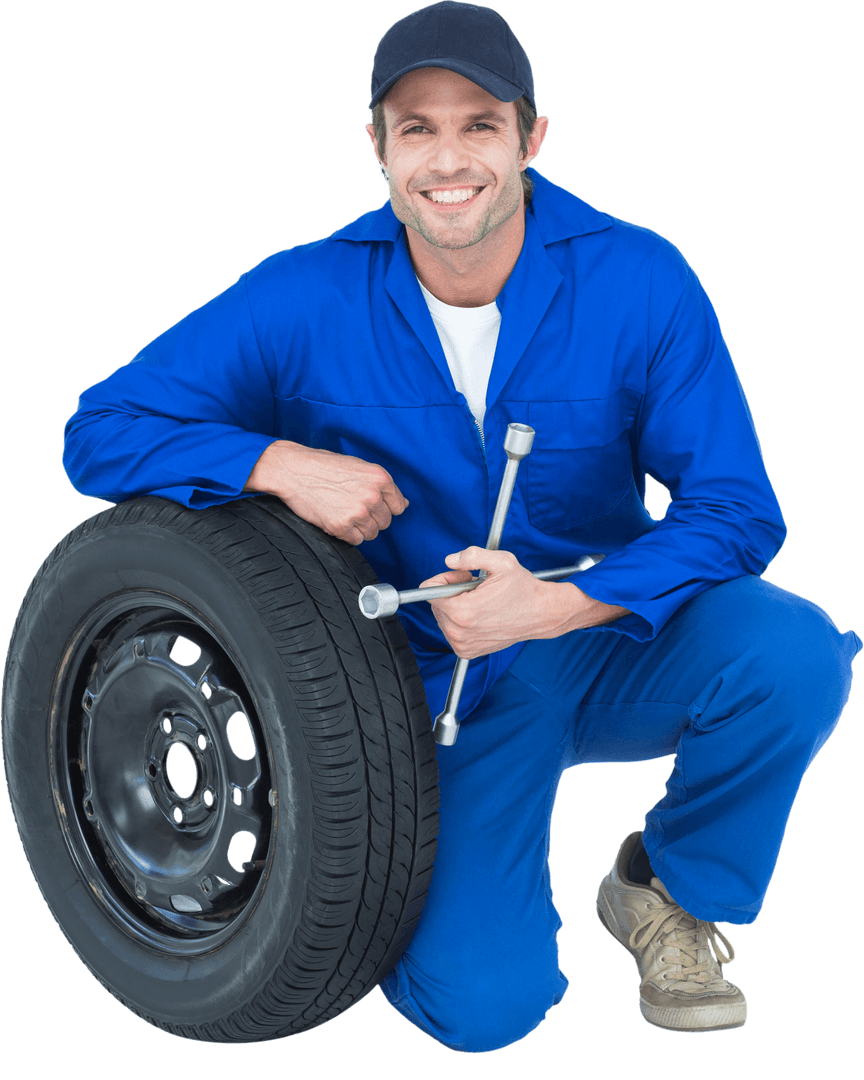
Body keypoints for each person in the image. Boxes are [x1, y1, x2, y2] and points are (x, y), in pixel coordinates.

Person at [63, 0, 860, 1052]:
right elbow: (100, 429)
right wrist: (276, 463)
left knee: (795, 656)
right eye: (417, 128)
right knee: (486, 1008)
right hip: (429, 683)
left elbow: (738, 511)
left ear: (530, 138)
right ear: (379, 151)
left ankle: (667, 891)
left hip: (600, 631)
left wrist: (563, 600)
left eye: (479, 124)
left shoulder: (637, 279)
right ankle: (449, 905)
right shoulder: (305, 299)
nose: (449, 159)